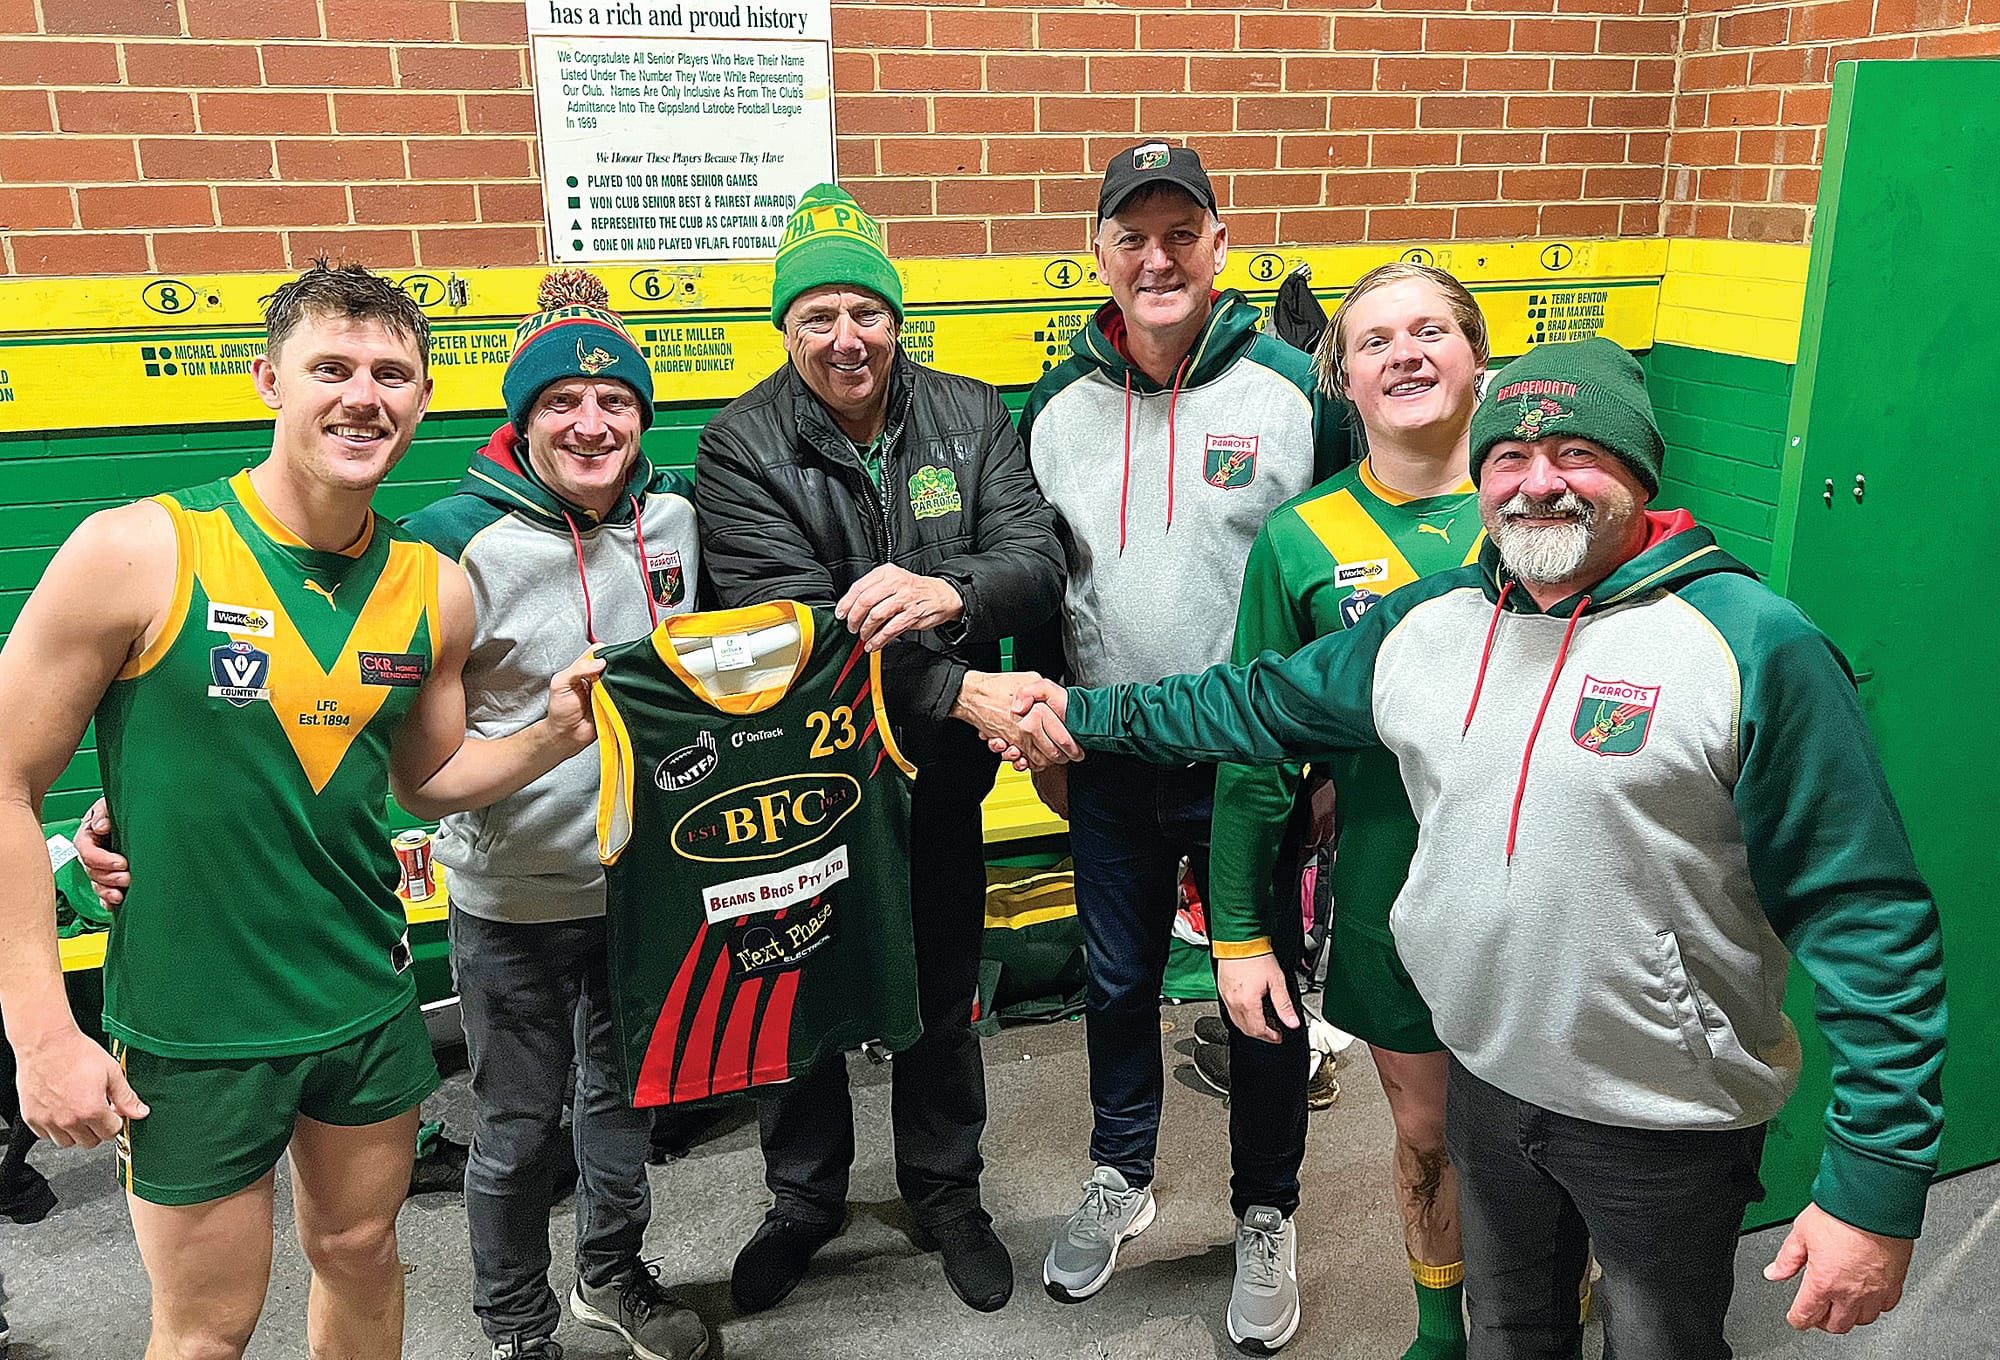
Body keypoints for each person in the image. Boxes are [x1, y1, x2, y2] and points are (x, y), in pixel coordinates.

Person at [999, 336, 1947, 1359]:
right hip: (1486, 1084)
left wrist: (1873, 1185)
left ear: (1638, 470)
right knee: (1506, 1330)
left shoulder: (1750, 644)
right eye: (1509, 457)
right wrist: (1073, 711)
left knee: (1656, 1342)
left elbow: (1868, 918)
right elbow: (1255, 700)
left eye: (1576, 452)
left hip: (1662, 1119)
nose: (1537, 482)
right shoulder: (1432, 624)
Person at [77, 270, 712, 1360]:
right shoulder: (443, 541)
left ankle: (608, 1277)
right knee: (510, 1131)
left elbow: (406, 753)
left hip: (638, 887)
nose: (591, 420)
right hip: (500, 894)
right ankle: (515, 1325)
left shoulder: (671, 521)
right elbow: (333, 714)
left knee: (612, 1115)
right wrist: (123, 806)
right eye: (561, 399)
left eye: (616, 401)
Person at [693, 183, 1067, 1315]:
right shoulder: (737, 445)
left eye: (864, 310)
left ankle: (947, 1190)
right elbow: (788, 623)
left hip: (940, 783)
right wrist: (956, 686)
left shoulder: (970, 410)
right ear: (784, 329)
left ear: (896, 317)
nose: (844, 338)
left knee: (942, 981)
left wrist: (947, 585)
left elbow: (1034, 557)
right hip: (803, 772)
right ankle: (802, 1200)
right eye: (816, 317)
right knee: (796, 986)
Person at [1012, 140, 1351, 1351]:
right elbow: (1030, 580)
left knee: (1259, 994)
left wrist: (1322, 757)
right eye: (1129, 236)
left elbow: (1338, 588)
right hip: (1103, 756)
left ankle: (1266, 1209)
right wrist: (1038, 716)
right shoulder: (1049, 409)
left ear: (1219, 243)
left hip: (1249, 766)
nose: (1154, 258)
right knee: (1115, 979)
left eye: (1178, 232)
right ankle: (1121, 1172)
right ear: (1097, 254)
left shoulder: (1296, 396)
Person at [1210, 262, 1488, 1360]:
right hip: (1389, 901)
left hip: (1554, 906)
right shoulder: (1299, 540)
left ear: (1476, 357)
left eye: (1430, 330)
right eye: (1373, 340)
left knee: (1556, 1143)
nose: (1404, 353)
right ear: (1344, 380)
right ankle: (1437, 1326)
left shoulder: (1552, 504)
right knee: (1426, 1133)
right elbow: (1252, 745)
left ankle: (1549, 1317)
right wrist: (1237, 930)